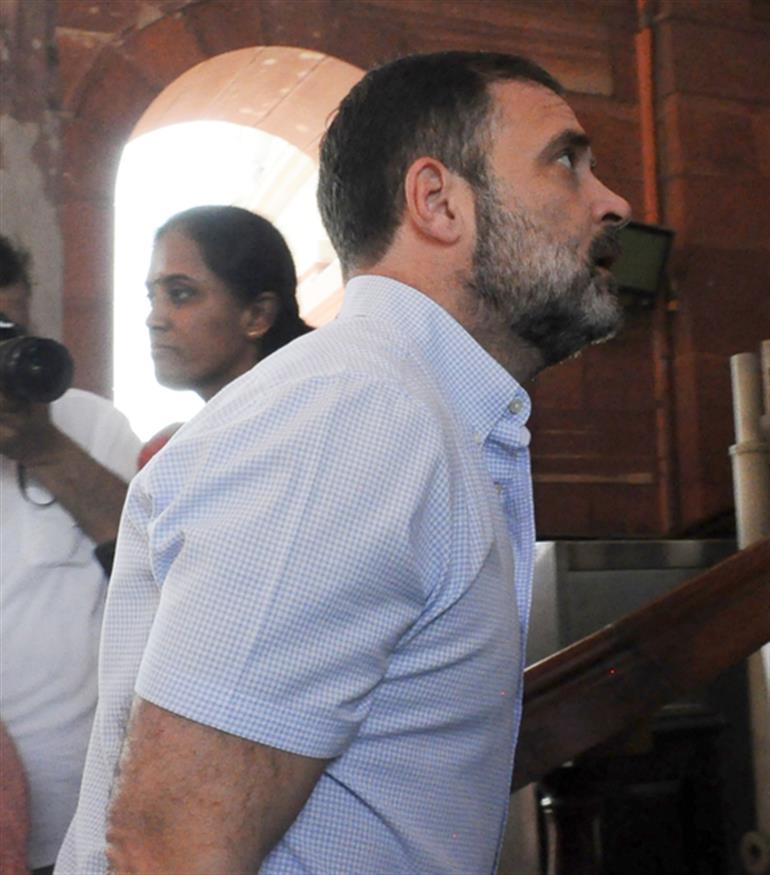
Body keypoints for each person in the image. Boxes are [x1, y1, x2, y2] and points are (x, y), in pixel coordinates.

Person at [56, 51, 631, 874]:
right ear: (438, 202)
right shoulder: (356, 415)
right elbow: (168, 848)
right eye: (566, 162)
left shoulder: (409, 410)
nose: (613, 201)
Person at [0, 234, 141, 875]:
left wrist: (46, 449)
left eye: (11, 330)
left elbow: (151, 572)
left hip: (86, 831)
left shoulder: (91, 424)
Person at [137, 205, 311, 467]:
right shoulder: (175, 453)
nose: (154, 320)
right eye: (153, 298)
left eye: (180, 294)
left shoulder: (310, 430)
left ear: (257, 315)